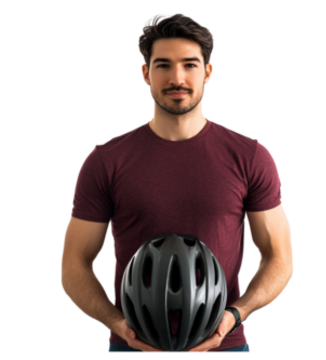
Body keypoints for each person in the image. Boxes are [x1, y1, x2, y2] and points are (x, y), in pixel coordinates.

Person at [59, 12, 294, 353]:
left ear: (208, 73)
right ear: (145, 74)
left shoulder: (250, 157)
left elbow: (280, 257)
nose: (177, 77)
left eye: (189, 64)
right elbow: (73, 264)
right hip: (131, 345)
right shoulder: (105, 161)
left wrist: (235, 315)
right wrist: (118, 326)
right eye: (164, 65)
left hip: (223, 344)